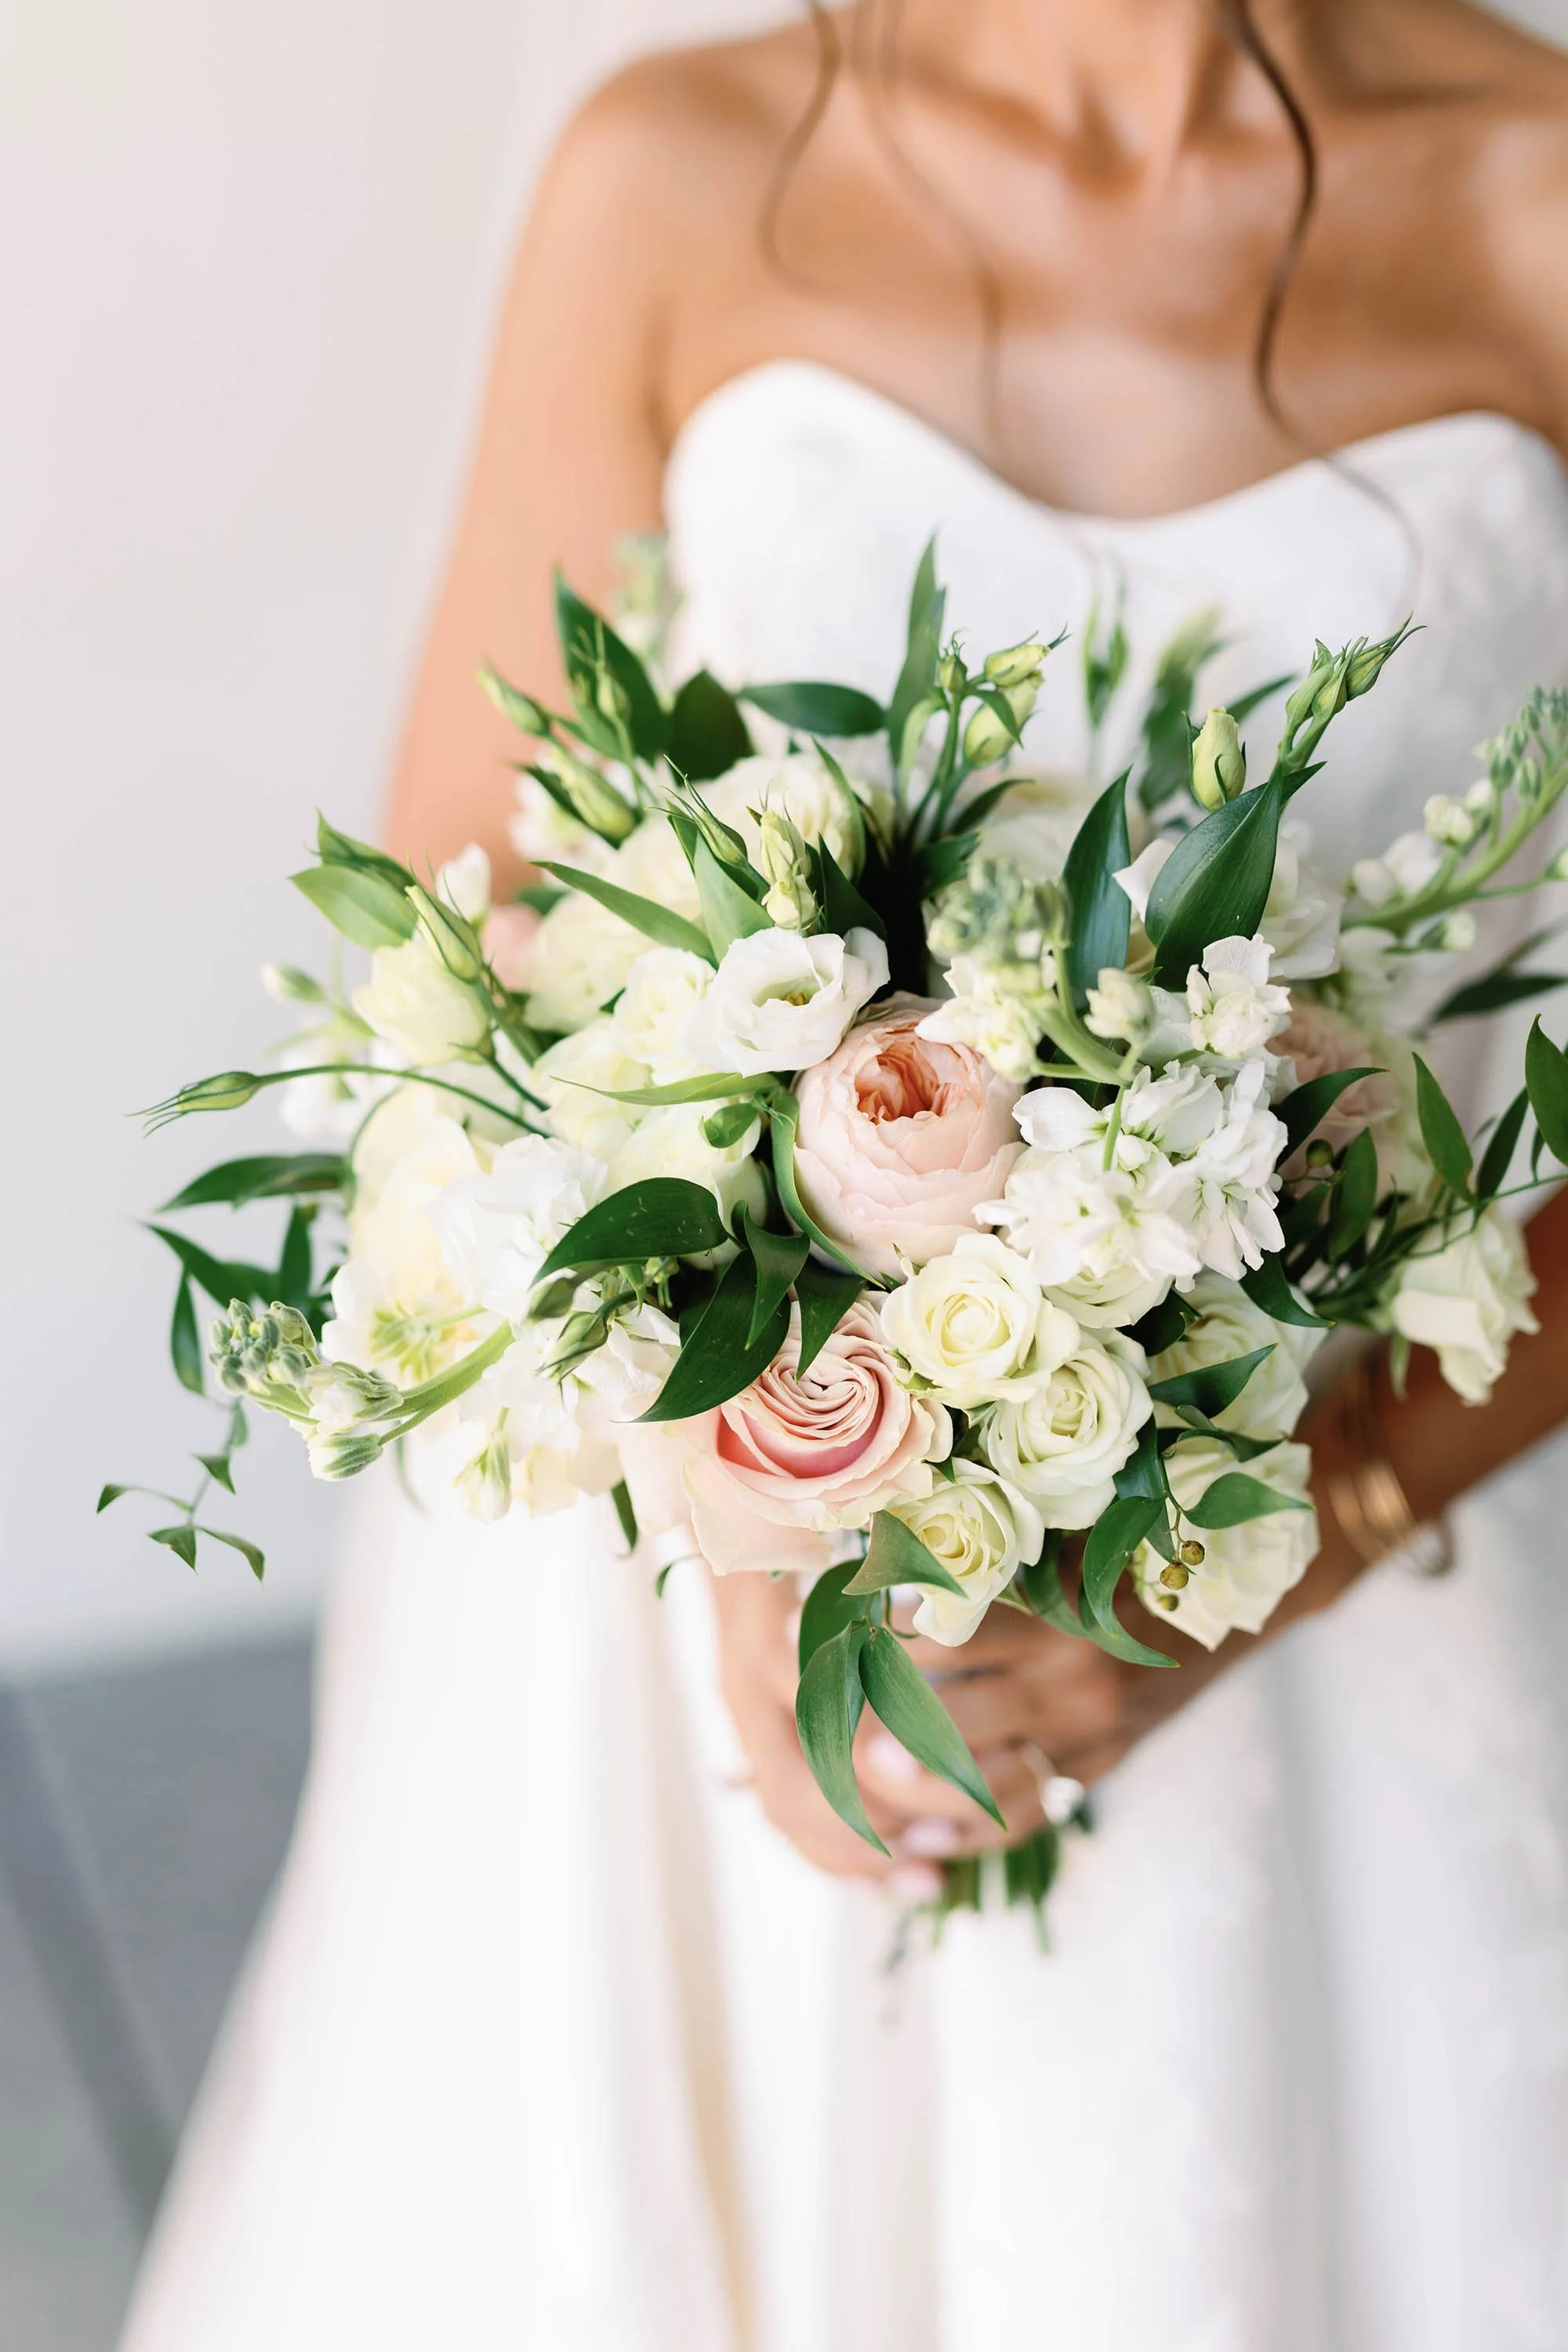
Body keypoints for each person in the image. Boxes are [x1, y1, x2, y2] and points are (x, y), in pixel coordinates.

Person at [123, 5, 1568, 2347]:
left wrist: (1289, 1554)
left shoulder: (1541, 189)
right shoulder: (677, 169)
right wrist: (742, 1501)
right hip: (681, 1660)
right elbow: (443, 952)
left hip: (1356, 1570)